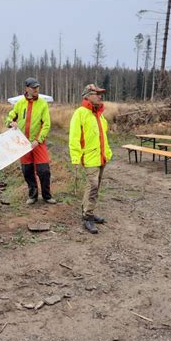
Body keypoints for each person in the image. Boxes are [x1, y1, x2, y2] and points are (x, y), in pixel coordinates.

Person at [69, 84, 112, 234]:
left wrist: (107, 152)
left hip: (101, 157)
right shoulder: (80, 113)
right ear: (87, 96)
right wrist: (75, 158)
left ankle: (89, 212)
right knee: (92, 185)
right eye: (97, 94)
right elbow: (74, 138)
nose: (100, 96)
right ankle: (87, 217)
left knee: (96, 186)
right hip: (89, 157)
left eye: (100, 94)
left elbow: (103, 135)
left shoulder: (98, 114)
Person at [6, 77, 56, 205]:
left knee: (43, 170)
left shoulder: (42, 104)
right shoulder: (20, 103)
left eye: (37, 87)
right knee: (27, 170)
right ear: (27, 88)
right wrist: (11, 123)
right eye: (33, 87)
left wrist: (38, 140)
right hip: (23, 143)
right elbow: (10, 117)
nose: (36, 90)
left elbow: (46, 124)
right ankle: (33, 195)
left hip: (38, 143)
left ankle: (46, 196)